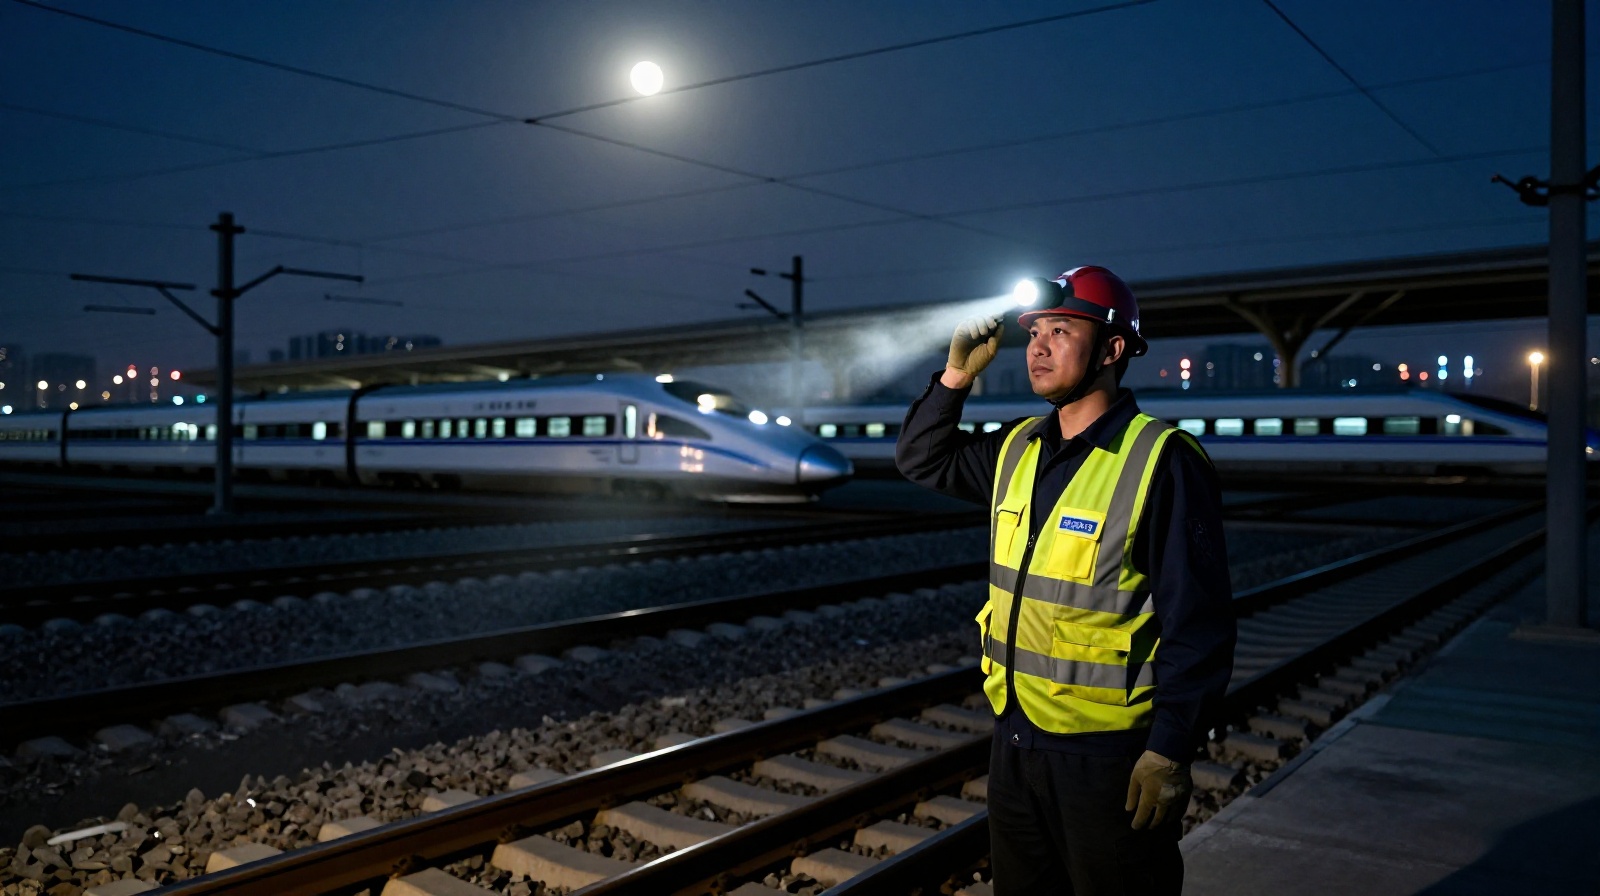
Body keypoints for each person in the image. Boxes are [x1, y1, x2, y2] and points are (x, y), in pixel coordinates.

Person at [895, 266, 1236, 896]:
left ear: (1111, 349)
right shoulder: (1018, 446)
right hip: (1016, 740)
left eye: (1061, 329)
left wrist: (1170, 749)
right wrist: (955, 379)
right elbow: (922, 457)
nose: (1039, 346)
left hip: (1110, 759)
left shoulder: (1162, 461)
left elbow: (1200, 624)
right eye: (1034, 333)